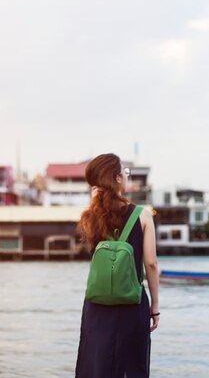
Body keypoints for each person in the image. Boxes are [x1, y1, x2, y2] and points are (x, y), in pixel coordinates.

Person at [75, 153, 160, 378]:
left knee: (96, 365)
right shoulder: (143, 215)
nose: (126, 174)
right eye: (125, 171)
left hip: (97, 305)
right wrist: (154, 307)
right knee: (132, 366)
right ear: (117, 179)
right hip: (132, 302)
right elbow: (150, 263)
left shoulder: (89, 217)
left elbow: (94, 253)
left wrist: (92, 203)